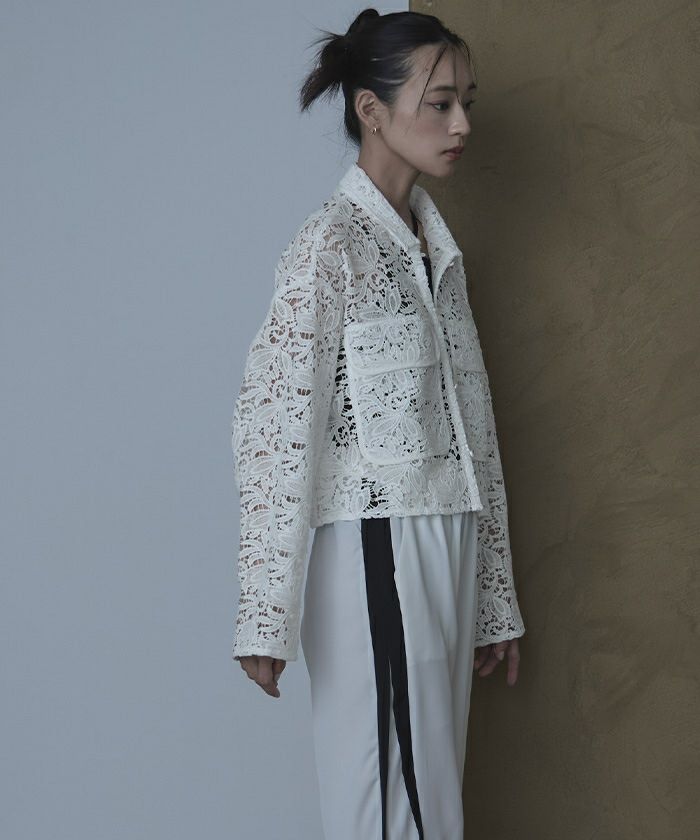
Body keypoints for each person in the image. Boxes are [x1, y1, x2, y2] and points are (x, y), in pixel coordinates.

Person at [230, 9, 526, 839]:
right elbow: (276, 428)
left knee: (429, 800)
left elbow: (475, 430)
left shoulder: (436, 250)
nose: (462, 125)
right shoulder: (329, 248)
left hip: (447, 546)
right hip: (376, 547)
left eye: (466, 103)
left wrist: (493, 597)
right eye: (440, 103)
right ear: (372, 110)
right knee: (389, 805)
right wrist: (265, 611)